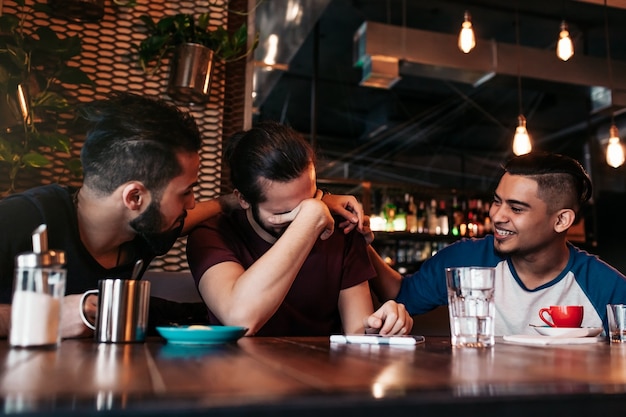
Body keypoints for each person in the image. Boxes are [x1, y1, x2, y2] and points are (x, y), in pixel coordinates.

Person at [0, 93, 365, 339]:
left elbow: (226, 205)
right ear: (134, 197)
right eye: (185, 191)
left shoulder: (143, 231)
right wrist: (45, 316)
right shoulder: (25, 217)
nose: (192, 205)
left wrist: (316, 201)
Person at [186, 121, 412, 336]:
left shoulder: (341, 232)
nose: (300, 217)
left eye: (311, 199)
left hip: (320, 372)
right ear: (243, 199)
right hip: (236, 373)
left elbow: (359, 334)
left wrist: (384, 325)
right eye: (283, 213)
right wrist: (310, 217)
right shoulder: (212, 234)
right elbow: (240, 319)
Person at [367, 151, 626, 335]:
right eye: (497, 201)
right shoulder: (465, 259)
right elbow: (400, 294)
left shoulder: (606, 288)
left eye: (516, 208)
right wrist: (361, 244)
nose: (496, 215)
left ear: (561, 220)